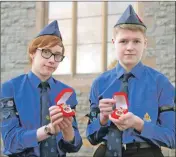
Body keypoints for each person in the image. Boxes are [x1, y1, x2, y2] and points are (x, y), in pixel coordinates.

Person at [86, 4, 175, 157]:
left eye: (136, 41)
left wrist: (139, 124)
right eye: (123, 41)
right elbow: (91, 137)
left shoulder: (161, 83)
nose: (130, 47)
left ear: (145, 43)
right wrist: (102, 119)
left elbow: (172, 138)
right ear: (114, 42)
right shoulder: (99, 83)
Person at [0, 20, 82, 157]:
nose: (52, 60)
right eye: (46, 52)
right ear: (32, 53)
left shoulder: (67, 93)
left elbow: (74, 146)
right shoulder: (10, 88)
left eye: (57, 55)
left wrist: (67, 129)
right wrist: (48, 130)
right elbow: (11, 142)